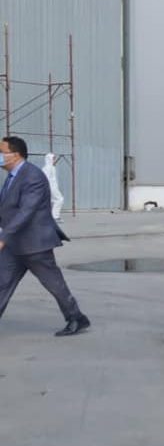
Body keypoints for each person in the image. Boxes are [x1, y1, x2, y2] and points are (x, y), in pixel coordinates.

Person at [0, 136, 90, 336]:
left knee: (54, 284)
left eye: (1, 152)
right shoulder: (12, 176)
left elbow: (26, 211)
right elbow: (7, 208)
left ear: (15, 155)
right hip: (14, 244)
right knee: (2, 281)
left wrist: (3, 237)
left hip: (34, 244)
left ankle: (76, 318)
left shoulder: (33, 176)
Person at [41, 153, 64, 222]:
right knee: (59, 199)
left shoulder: (51, 167)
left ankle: (51, 216)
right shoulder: (48, 168)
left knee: (52, 201)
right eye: (53, 159)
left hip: (53, 187)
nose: (54, 160)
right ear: (49, 159)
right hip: (51, 187)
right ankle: (55, 216)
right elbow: (46, 179)